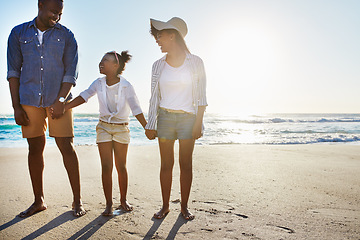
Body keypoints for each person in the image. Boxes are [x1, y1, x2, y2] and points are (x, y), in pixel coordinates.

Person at [7, 0, 86, 217]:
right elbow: (13, 72)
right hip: (29, 99)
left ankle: (77, 201)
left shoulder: (67, 36)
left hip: (58, 100)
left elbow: (71, 72)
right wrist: (16, 106)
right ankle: (38, 201)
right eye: (53, 12)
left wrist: (61, 99)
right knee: (34, 148)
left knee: (66, 146)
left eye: (60, 14)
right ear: (40, 5)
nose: (57, 17)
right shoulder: (17, 33)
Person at [65, 51, 147, 216]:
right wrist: (65, 107)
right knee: (106, 166)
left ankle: (123, 200)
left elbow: (136, 108)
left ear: (116, 66)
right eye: (101, 60)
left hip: (121, 128)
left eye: (106, 60)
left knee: (121, 166)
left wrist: (147, 127)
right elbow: (85, 96)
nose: (101, 62)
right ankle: (109, 204)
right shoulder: (99, 83)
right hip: (103, 127)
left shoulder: (126, 85)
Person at [145, 17, 207, 220]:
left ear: (172, 35)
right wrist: (151, 124)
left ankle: (185, 207)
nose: (157, 40)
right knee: (166, 165)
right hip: (165, 119)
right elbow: (154, 98)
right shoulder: (157, 65)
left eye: (160, 36)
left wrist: (198, 123)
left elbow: (201, 97)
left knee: (186, 164)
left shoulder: (195, 62)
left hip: (188, 119)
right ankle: (165, 206)